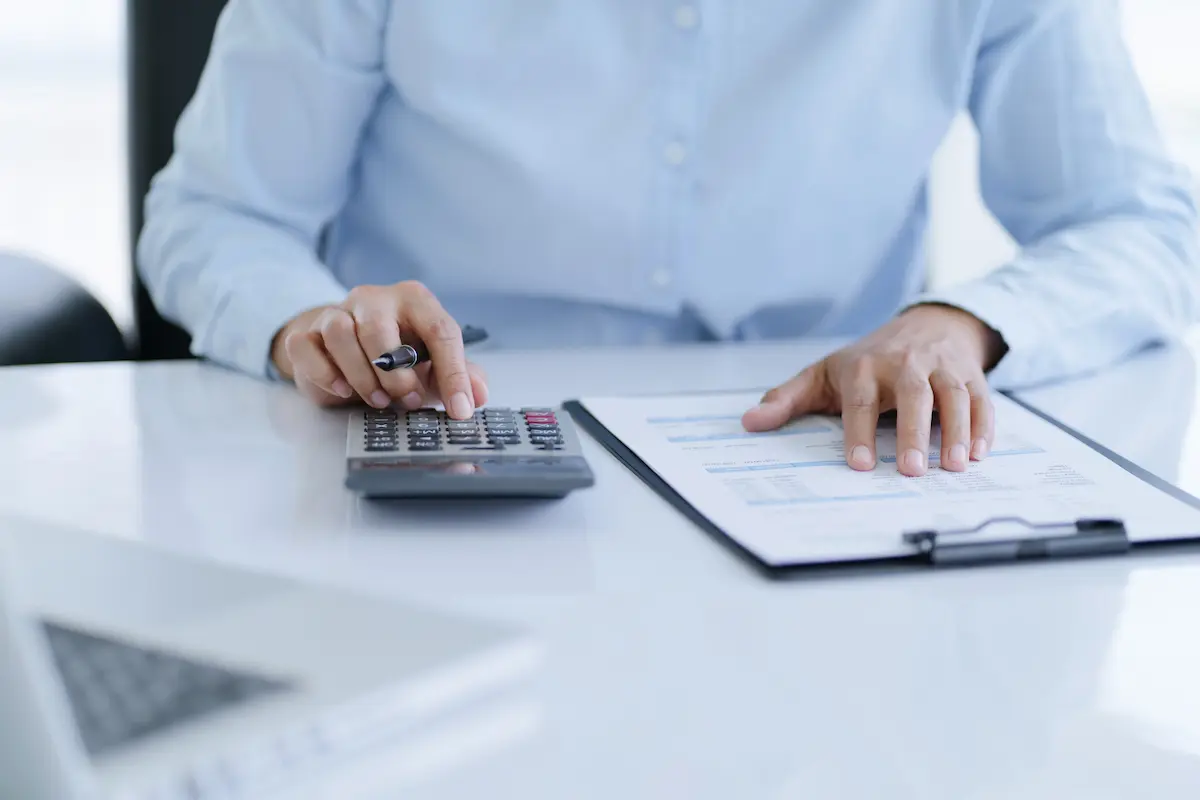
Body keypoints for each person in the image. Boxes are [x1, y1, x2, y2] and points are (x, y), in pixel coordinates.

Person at [137, 0, 1199, 478]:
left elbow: (1143, 223)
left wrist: (961, 323)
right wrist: (306, 324)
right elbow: (216, 212)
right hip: (449, 440)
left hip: (821, 462)